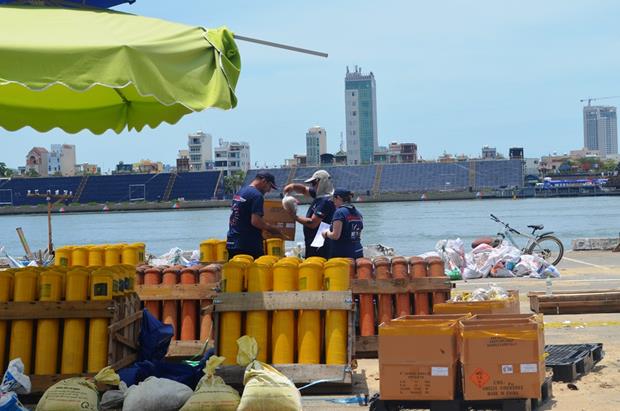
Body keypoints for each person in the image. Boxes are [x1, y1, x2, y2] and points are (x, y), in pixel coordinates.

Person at [226, 172, 281, 259]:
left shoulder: (240, 192)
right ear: (264, 181)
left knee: (236, 271)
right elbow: (256, 221)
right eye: (270, 186)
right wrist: (272, 229)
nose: (269, 190)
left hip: (232, 241)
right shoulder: (257, 196)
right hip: (248, 245)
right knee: (254, 271)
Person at [283, 170, 335, 258]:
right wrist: (292, 186)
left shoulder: (325, 201)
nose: (312, 186)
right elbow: (303, 190)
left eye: (313, 183)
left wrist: (293, 216)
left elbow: (313, 223)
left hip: (320, 244)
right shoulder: (320, 195)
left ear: (321, 182)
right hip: (314, 241)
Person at [322, 189, 364, 259]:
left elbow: (335, 235)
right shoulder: (358, 213)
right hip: (358, 251)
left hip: (343, 254)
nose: (332, 201)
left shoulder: (339, 212)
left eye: (333, 199)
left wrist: (326, 233)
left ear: (338, 197)